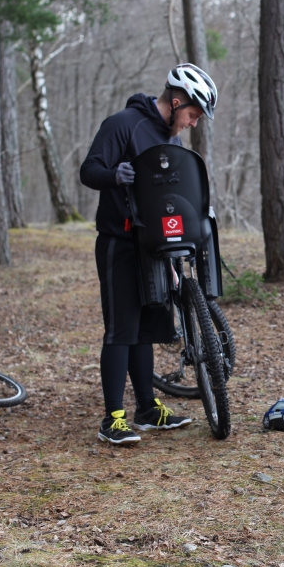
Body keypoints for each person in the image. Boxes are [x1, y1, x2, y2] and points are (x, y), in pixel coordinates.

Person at [80, 63, 218, 444]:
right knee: (121, 331)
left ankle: (146, 409)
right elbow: (89, 170)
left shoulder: (171, 140)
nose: (193, 123)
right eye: (192, 114)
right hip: (118, 243)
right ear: (175, 102)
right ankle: (113, 419)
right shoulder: (123, 124)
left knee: (144, 331)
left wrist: (174, 259)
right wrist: (114, 175)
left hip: (153, 248)